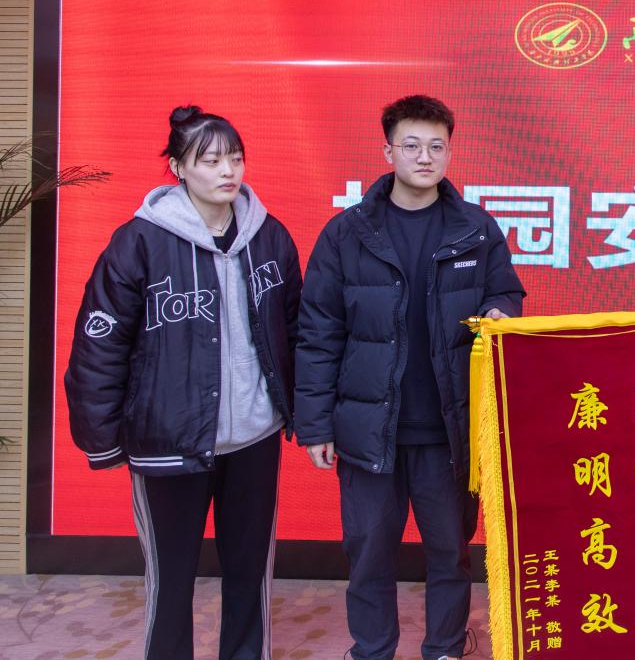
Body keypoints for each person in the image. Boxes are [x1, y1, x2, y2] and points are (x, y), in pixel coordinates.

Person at [66, 106, 301, 659]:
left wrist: (302, 413)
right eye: (210, 160)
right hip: (167, 440)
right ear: (177, 167)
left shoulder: (269, 236)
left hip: (255, 437)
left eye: (235, 158)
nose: (227, 171)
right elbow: (99, 346)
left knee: (250, 574)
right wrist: (102, 439)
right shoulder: (138, 242)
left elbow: (296, 329)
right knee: (170, 581)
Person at [294, 94, 525, 660]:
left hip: (449, 430)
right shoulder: (347, 233)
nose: (425, 157)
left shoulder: (475, 229)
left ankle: (444, 646)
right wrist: (316, 425)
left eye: (436, 146)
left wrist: (500, 311)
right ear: (388, 151)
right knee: (368, 551)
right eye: (412, 145)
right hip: (369, 428)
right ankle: (372, 649)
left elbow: (506, 291)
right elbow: (318, 331)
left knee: (450, 553)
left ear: (450, 152)